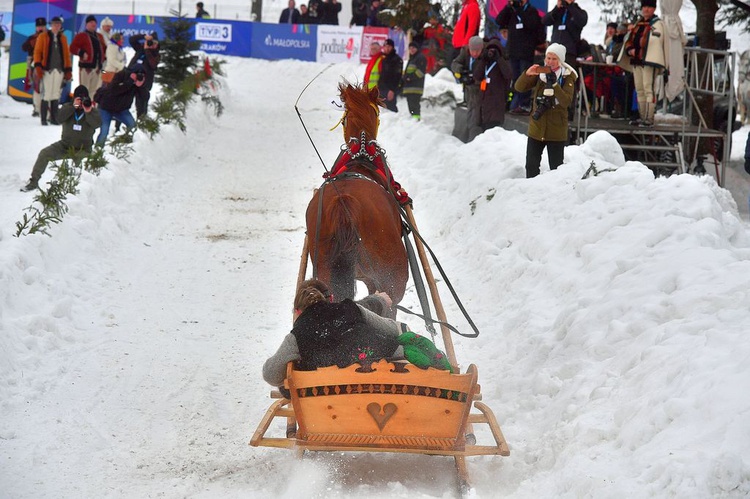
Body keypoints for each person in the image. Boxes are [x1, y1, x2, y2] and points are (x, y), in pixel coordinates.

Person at [20, 85, 101, 192]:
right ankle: (33, 182)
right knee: (44, 153)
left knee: (77, 162)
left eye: (83, 99)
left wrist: (88, 111)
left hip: (83, 149)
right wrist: (73, 107)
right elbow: (59, 118)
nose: (81, 102)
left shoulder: (92, 111)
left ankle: (74, 189)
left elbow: (96, 124)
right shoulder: (68, 107)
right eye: (78, 99)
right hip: (65, 145)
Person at [515, 43, 577, 178]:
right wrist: (527, 74)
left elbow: (566, 101)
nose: (550, 62)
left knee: (556, 168)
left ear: (560, 61)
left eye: (554, 59)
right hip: (537, 128)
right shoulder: (540, 74)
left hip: (556, 129)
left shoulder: (567, 76)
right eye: (548, 58)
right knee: (531, 165)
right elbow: (519, 88)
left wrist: (554, 84)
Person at [620, 0, 667, 128]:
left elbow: (655, 44)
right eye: (644, 7)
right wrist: (630, 49)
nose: (646, 10)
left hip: (648, 62)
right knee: (639, 89)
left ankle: (649, 117)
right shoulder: (639, 23)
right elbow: (630, 40)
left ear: (653, 9)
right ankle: (642, 116)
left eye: (649, 7)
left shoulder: (657, 24)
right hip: (637, 61)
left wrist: (638, 49)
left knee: (648, 88)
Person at [495, 0, 546, 115]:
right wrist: (509, 7)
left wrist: (519, 11)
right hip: (513, 51)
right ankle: (514, 103)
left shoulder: (531, 11)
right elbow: (499, 20)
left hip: (525, 51)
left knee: (525, 77)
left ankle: (525, 104)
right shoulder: (512, 11)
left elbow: (532, 25)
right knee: (515, 78)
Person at [33, 16, 72, 126]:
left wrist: (68, 69)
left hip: (59, 70)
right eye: (55, 24)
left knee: (56, 94)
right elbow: (37, 52)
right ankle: (44, 118)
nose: (56, 26)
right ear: (51, 25)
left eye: (58, 24)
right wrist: (38, 66)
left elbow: (66, 55)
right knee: (46, 94)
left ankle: (54, 118)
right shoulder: (43, 36)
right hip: (47, 69)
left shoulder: (63, 38)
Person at [94, 69, 146, 147]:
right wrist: (130, 81)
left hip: (121, 110)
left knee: (132, 126)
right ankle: (97, 150)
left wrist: (141, 86)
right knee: (104, 131)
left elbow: (144, 97)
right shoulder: (122, 75)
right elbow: (114, 90)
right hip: (106, 108)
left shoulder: (136, 86)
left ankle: (124, 144)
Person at [472, 37, 512, 132]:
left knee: (492, 132)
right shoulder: (486, 63)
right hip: (483, 105)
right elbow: (477, 76)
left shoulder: (503, 62)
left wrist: (499, 59)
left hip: (496, 105)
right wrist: (483, 60)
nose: (491, 53)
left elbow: (508, 74)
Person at [451, 36, 484, 141]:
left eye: (477, 51)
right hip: (468, 88)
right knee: (470, 111)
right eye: (472, 51)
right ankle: (469, 136)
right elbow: (455, 63)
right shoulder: (464, 52)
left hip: (480, 89)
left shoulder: (486, 55)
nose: (474, 54)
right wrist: (461, 70)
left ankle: (473, 138)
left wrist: (475, 79)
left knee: (475, 114)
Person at [70, 15, 107, 97]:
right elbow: (72, 48)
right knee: (84, 89)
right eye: (91, 22)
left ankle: (91, 107)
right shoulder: (81, 36)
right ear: (86, 24)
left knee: (94, 91)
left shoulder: (99, 36)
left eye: (94, 22)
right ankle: (83, 107)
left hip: (97, 68)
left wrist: (103, 57)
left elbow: (104, 48)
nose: (93, 24)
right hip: (86, 68)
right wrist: (82, 53)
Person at [542, 0, 588, 67]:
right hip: (554, 51)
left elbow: (581, 22)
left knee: (566, 75)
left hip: (568, 52)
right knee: (552, 75)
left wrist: (570, 6)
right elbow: (545, 21)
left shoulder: (579, 12)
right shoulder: (558, 11)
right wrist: (556, 8)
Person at [127, 32, 161, 118]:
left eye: (154, 43)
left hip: (145, 82)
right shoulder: (140, 48)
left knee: (141, 103)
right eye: (151, 42)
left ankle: (142, 121)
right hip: (132, 78)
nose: (152, 45)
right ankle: (118, 125)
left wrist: (147, 50)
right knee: (124, 101)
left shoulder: (156, 54)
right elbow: (132, 40)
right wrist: (144, 36)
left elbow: (153, 64)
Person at [22, 17, 47, 118]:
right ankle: (37, 108)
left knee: (46, 87)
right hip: (35, 65)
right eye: (39, 26)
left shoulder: (48, 37)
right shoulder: (32, 38)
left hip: (47, 65)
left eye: (42, 26)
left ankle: (45, 108)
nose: (40, 28)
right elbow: (24, 48)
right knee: (36, 87)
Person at [401, 41, 427, 120]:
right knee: (411, 105)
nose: (411, 50)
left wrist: (410, 77)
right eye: (410, 48)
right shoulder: (412, 58)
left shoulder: (420, 57)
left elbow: (421, 72)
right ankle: (413, 119)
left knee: (414, 105)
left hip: (416, 88)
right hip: (410, 88)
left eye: (413, 48)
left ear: (417, 49)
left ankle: (416, 120)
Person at [379, 38, 403, 112]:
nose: (387, 48)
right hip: (382, 89)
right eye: (385, 47)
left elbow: (397, 76)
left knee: (391, 110)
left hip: (390, 90)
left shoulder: (397, 59)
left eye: (389, 47)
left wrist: (392, 90)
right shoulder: (384, 59)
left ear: (392, 47)